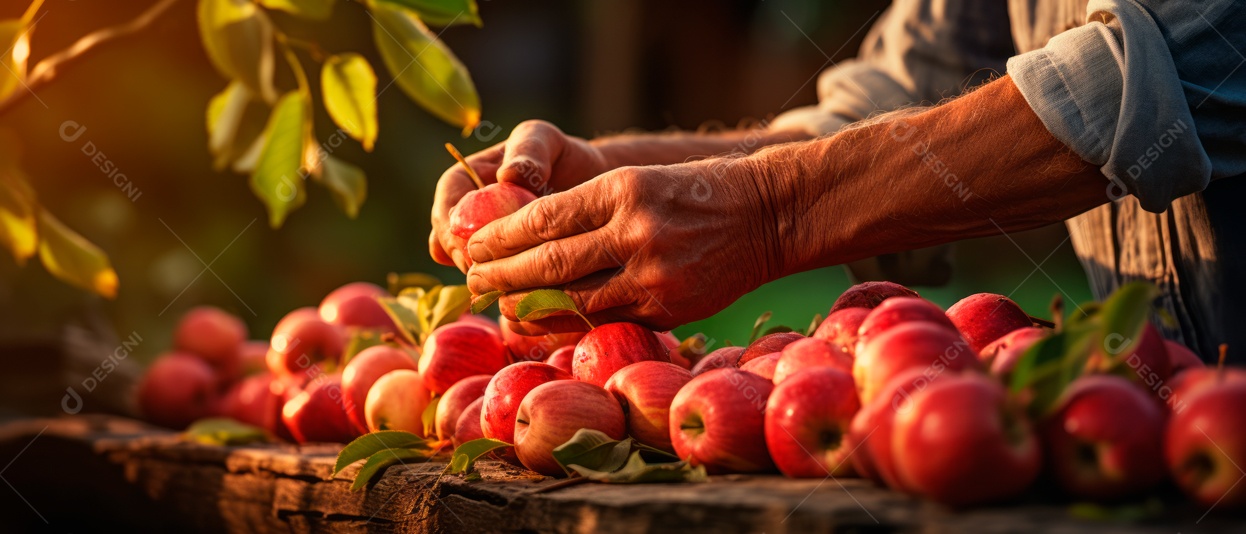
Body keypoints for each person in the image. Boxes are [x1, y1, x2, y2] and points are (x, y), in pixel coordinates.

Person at [429, 0, 1245, 362]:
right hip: (1156, 427)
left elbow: (1160, 71)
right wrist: (633, 174)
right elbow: (905, 95)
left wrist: (770, 213)